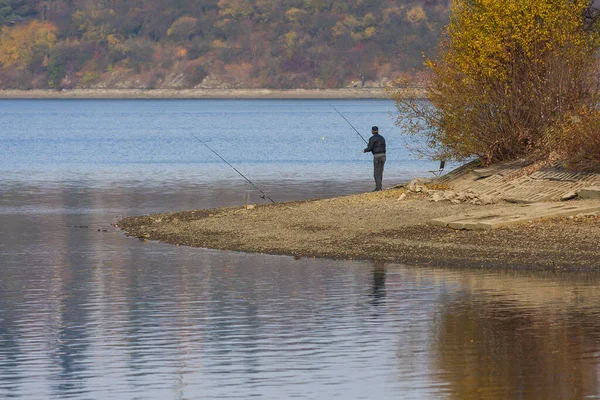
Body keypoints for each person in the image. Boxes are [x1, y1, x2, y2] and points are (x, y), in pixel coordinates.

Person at [363, 126, 386, 191]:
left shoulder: (372, 138)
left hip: (377, 156)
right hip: (383, 156)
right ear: (378, 131)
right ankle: (380, 187)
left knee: (376, 173)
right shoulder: (382, 138)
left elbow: (369, 148)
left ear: (372, 131)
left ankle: (378, 188)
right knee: (380, 172)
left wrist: (365, 150)